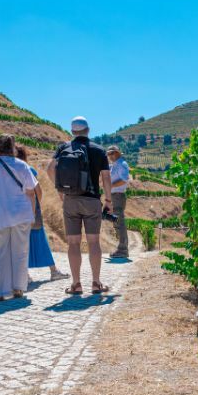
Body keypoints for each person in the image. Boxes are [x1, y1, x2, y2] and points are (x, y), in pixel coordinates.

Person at [47, 116, 112, 295]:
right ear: (88, 130)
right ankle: (96, 283)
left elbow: (50, 169)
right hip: (92, 201)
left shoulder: (63, 148)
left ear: (72, 132)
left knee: (73, 243)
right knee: (93, 242)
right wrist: (108, 201)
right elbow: (106, 177)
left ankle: (76, 285)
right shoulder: (99, 150)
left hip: (71, 200)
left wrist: (60, 191)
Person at [0, 135, 38, 302]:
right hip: (21, 214)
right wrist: (31, 214)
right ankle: (18, 288)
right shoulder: (22, 165)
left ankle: (0, 292)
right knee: (20, 252)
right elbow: (31, 192)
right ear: (12, 147)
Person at [15, 145, 69, 283]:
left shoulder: (11, 171)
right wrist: (36, 206)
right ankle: (53, 271)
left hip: (17, 212)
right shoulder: (28, 170)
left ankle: (25, 275)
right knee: (41, 241)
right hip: (31, 211)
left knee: (21, 244)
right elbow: (38, 191)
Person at [107, 145, 130, 259]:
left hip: (118, 196)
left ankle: (123, 250)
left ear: (117, 153)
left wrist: (110, 185)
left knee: (119, 223)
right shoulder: (115, 165)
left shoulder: (122, 164)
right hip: (114, 196)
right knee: (117, 223)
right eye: (108, 154)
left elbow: (124, 180)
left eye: (111, 154)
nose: (109, 156)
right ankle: (121, 248)